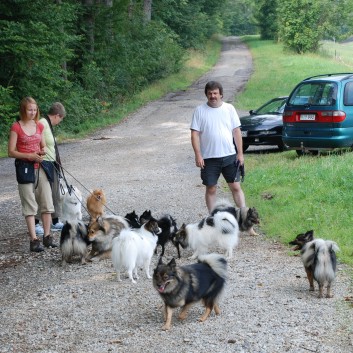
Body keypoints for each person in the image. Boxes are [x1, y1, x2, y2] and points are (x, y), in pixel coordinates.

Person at [8, 97, 57, 252]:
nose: (33, 112)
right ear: (23, 109)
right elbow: (11, 151)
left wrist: (41, 152)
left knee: (47, 201)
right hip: (24, 168)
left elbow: (43, 146)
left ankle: (48, 237)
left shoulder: (38, 125)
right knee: (29, 204)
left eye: (35, 110)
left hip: (40, 166)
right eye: (30, 109)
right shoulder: (16, 127)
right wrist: (28, 156)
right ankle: (34, 240)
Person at [190, 81, 246, 212]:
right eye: (210, 93)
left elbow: (236, 131)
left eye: (215, 93)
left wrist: (240, 154)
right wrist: (198, 155)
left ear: (221, 94)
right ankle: (213, 219)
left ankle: (245, 219)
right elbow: (194, 134)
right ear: (206, 95)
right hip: (209, 158)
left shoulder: (229, 109)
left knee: (236, 187)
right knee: (211, 188)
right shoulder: (199, 111)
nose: (212, 96)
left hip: (230, 156)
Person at [34, 102, 66, 235]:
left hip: (52, 162)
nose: (60, 121)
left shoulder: (48, 125)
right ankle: (35, 223)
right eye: (61, 119)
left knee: (55, 192)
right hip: (43, 163)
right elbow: (35, 141)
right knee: (42, 194)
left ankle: (55, 221)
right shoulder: (42, 123)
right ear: (57, 115)